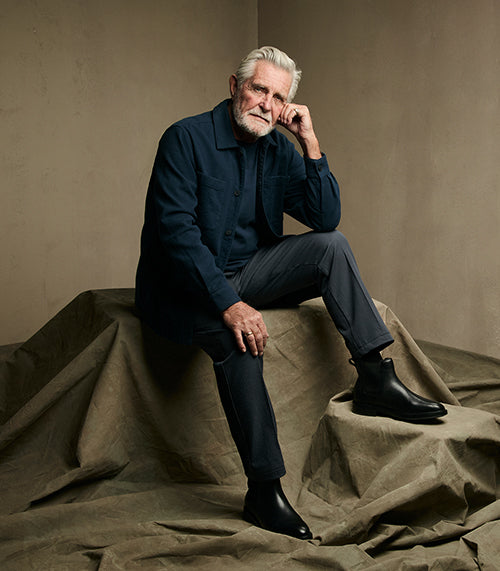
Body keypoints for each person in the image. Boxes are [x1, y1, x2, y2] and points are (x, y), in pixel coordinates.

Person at [135, 46, 447, 540]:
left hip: (250, 272)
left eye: (278, 97)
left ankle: (374, 377)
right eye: (258, 89)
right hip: (184, 288)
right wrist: (229, 304)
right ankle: (264, 490)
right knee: (238, 340)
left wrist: (309, 142)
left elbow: (324, 218)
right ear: (234, 87)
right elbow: (176, 235)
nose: (266, 103)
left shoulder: (278, 148)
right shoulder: (185, 138)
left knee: (331, 246)